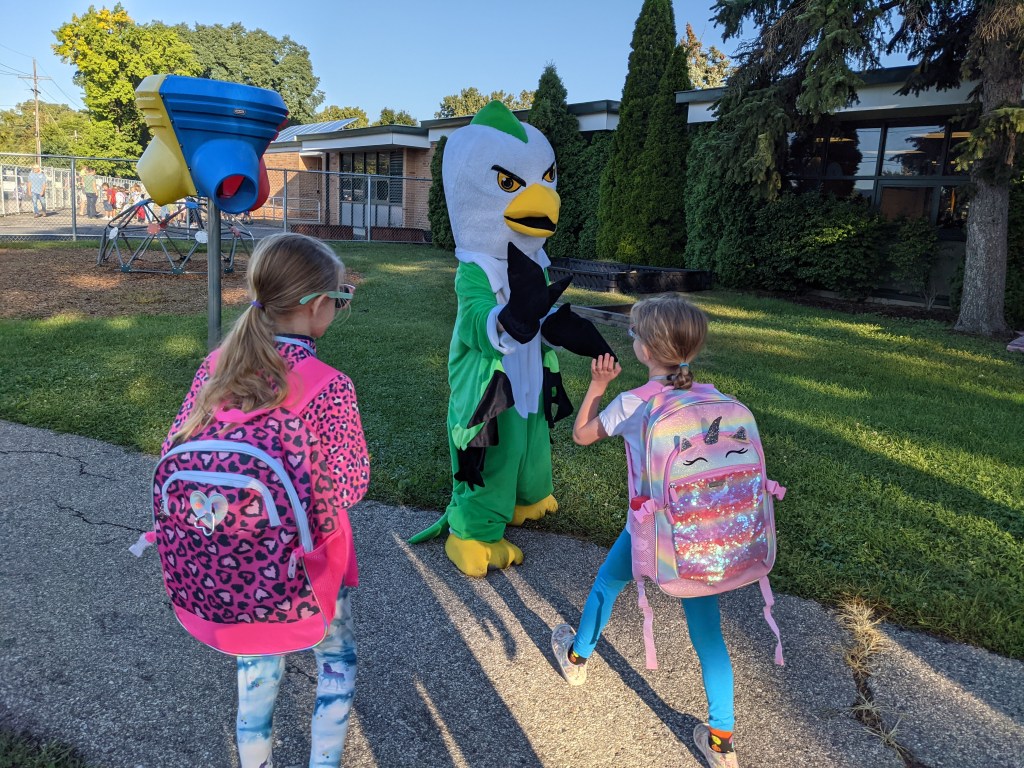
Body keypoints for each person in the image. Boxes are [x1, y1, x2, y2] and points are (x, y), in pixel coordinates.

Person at [162, 232, 369, 768]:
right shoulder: (327, 384)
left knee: (254, 680)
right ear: (317, 306)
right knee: (337, 665)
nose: (340, 308)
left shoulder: (216, 367)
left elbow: (173, 448)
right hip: (313, 565)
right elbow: (350, 486)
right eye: (341, 299)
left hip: (238, 566)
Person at [549, 294, 741, 768]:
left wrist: (597, 385)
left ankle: (576, 660)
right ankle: (721, 742)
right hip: (701, 536)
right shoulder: (712, 397)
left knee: (606, 585)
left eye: (634, 333)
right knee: (708, 636)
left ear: (647, 350)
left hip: (649, 532)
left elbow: (581, 435)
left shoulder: (634, 403)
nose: (631, 338)